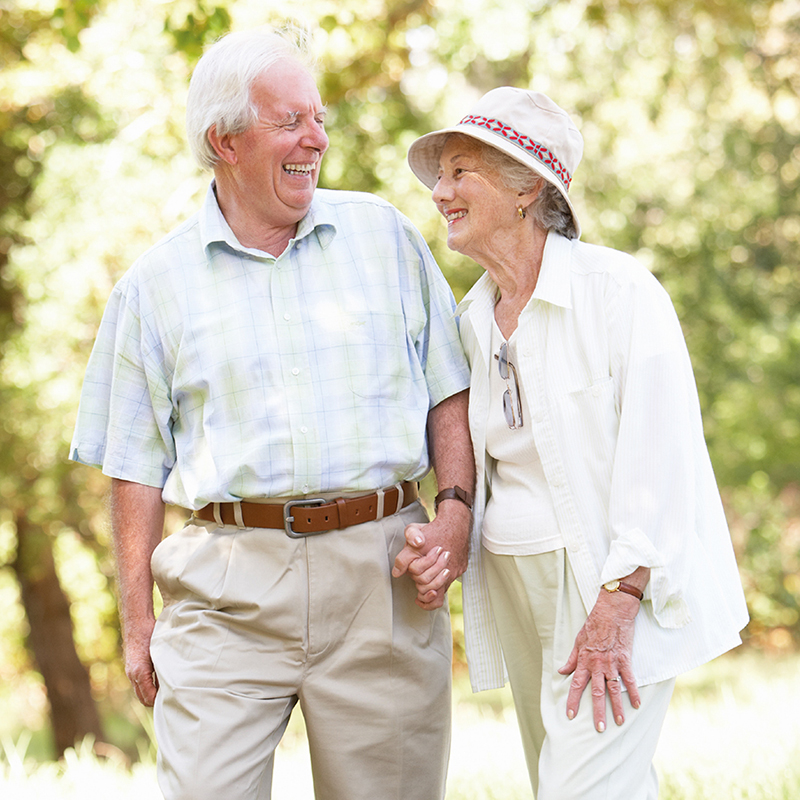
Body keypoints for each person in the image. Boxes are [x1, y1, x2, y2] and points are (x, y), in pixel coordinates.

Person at [70, 29, 475, 800]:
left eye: (318, 120)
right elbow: (134, 466)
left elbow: (448, 391)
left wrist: (454, 513)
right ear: (225, 140)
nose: (315, 140)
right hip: (226, 587)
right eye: (290, 122)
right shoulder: (154, 288)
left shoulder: (383, 236)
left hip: (379, 575)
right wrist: (135, 622)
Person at [406, 87, 749, 799]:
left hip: (607, 581)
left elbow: (663, 457)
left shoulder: (619, 293)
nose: (440, 192)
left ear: (527, 184)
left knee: (584, 790)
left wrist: (621, 596)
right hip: (514, 580)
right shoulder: (471, 319)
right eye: (441, 176)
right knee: (561, 781)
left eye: (460, 171)